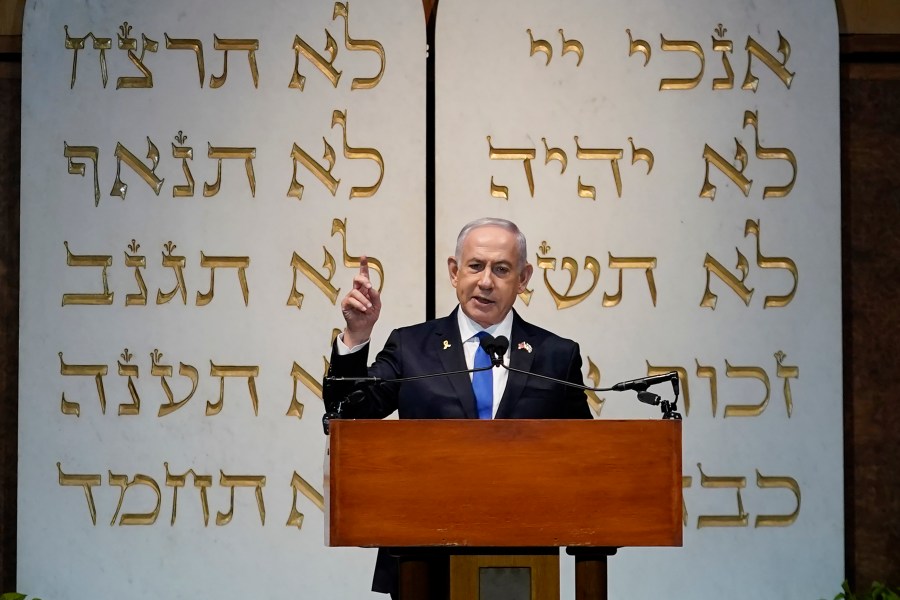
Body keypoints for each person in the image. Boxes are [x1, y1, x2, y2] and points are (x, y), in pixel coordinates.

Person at [323, 217, 592, 597]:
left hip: (521, 561)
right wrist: (357, 335)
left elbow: (586, 456)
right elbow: (346, 414)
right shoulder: (411, 347)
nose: (486, 281)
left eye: (501, 269)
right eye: (475, 266)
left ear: (524, 278)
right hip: (421, 558)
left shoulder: (556, 355)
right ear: (454, 271)